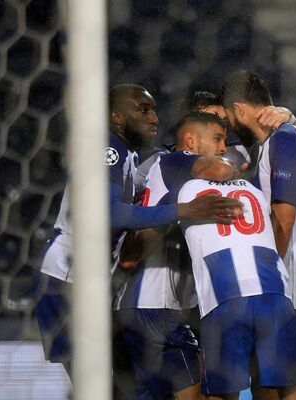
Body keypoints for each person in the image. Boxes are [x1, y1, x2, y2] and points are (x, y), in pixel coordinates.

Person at [35, 84, 242, 383]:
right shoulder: (108, 148)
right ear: (117, 117)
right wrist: (184, 210)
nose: (154, 118)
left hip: (88, 283)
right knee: (97, 384)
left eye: (155, 110)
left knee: (119, 381)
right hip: (66, 279)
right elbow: (107, 214)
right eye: (143, 110)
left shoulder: (127, 155)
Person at [114, 111, 231, 400]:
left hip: (132, 305)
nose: (223, 148)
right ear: (191, 140)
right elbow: (220, 170)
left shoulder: (160, 169)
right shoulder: (178, 161)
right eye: (217, 139)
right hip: (155, 306)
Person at [221, 70, 296, 357]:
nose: (229, 128)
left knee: (283, 386)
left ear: (239, 109)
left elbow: (283, 221)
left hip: (293, 286)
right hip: (292, 285)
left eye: (229, 119)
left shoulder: (284, 140)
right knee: (267, 383)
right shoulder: (278, 140)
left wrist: (264, 283)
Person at [176, 178, 296, 400]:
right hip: (273, 291)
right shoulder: (253, 189)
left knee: (222, 393)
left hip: (224, 295)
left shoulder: (188, 187)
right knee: (293, 388)